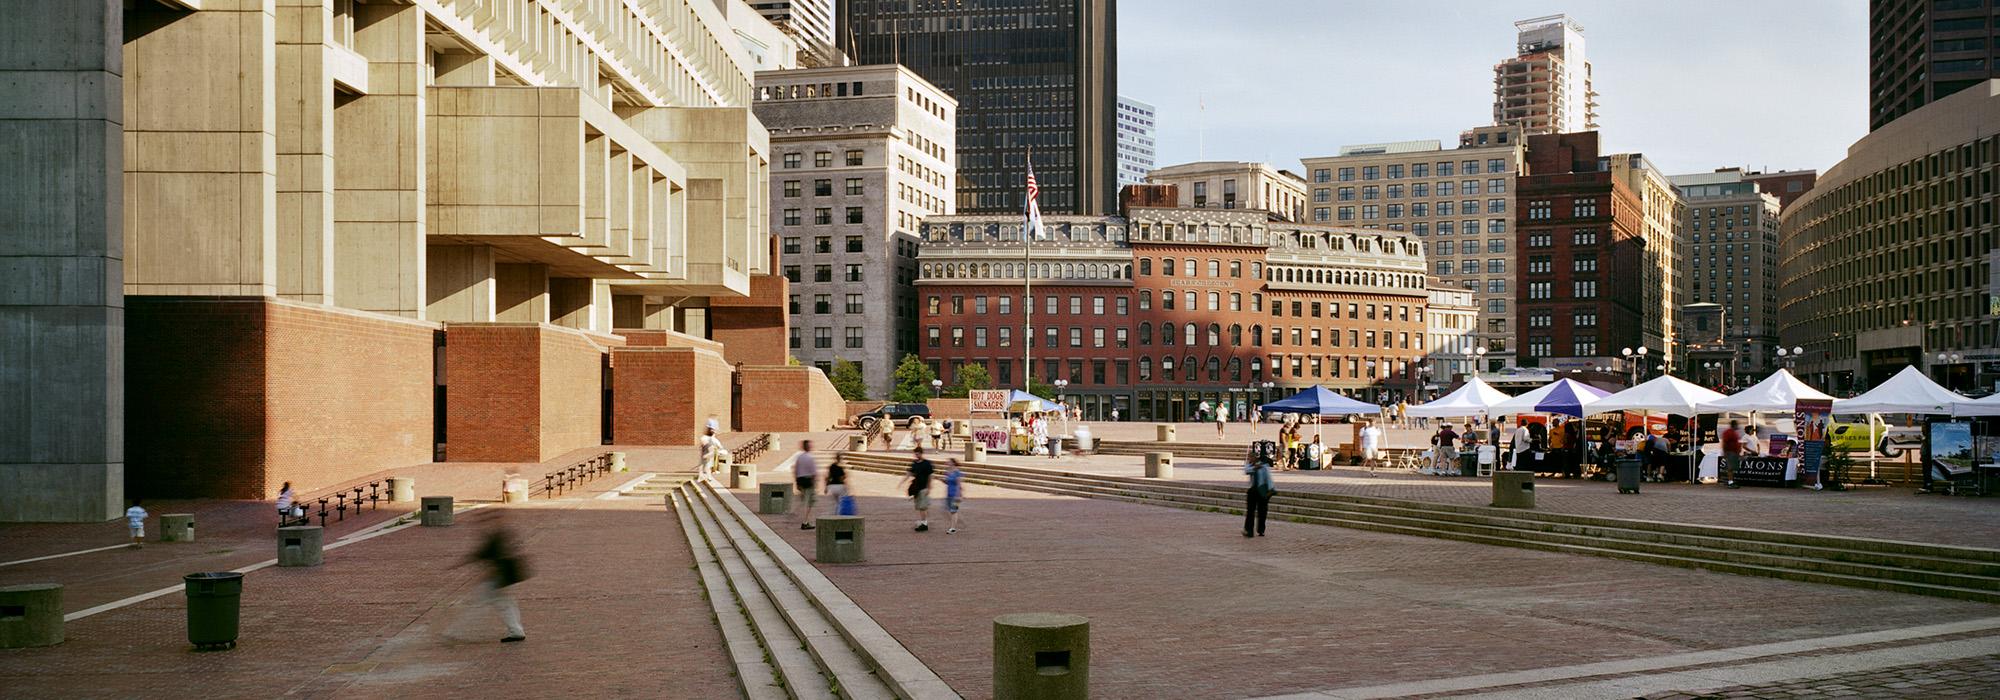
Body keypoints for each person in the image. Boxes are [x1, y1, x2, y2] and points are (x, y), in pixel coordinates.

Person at [462, 514, 529, 643]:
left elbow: (482, 555)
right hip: (503, 578)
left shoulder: (495, 537)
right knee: (506, 604)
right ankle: (516, 631)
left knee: (480, 605)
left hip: (499, 578)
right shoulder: (499, 535)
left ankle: (455, 632)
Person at [897, 447, 936, 531]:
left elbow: (930, 476)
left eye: (918, 454)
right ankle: (923, 521)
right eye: (915, 454)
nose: (916, 455)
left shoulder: (927, 463)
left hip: (923, 487)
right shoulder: (914, 464)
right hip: (917, 488)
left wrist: (929, 487)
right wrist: (901, 482)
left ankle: (924, 524)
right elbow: (909, 474)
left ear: (921, 453)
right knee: (920, 506)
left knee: (922, 507)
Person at [1243, 446, 1275, 537]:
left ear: (1255, 458)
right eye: (1249, 458)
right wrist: (1254, 468)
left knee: (1262, 511)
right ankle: (1249, 530)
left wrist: (1270, 490)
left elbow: (1268, 478)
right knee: (1250, 511)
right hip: (1253, 490)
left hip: (1262, 490)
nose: (1249, 460)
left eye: (1251, 458)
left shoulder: (1264, 466)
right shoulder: (1250, 466)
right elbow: (1246, 471)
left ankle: (1261, 529)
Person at [793, 440, 819, 530]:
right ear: (808, 447)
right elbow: (814, 472)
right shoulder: (810, 458)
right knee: (809, 502)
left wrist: (797, 482)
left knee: (804, 500)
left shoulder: (799, 457)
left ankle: (803, 519)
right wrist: (815, 483)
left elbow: (795, 470)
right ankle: (805, 521)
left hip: (800, 480)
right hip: (808, 481)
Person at [942, 459, 966, 534]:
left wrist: (959, 495)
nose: (947, 463)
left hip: (955, 494)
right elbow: (948, 482)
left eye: (949, 462)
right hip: (949, 494)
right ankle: (957, 521)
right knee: (948, 511)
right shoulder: (949, 472)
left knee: (953, 511)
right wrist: (943, 481)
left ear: (953, 463)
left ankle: (953, 528)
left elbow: (959, 484)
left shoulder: (957, 472)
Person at [1720, 419, 1744, 488]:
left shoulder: (1734, 432)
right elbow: (1725, 443)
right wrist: (1725, 452)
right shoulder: (1728, 432)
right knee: (1730, 468)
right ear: (1734, 425)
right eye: (1737, 425)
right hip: (1730, 452)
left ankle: (1731, 481)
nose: (1738, 426)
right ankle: (1730, 483)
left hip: (1734, 453)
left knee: (1732, 468)